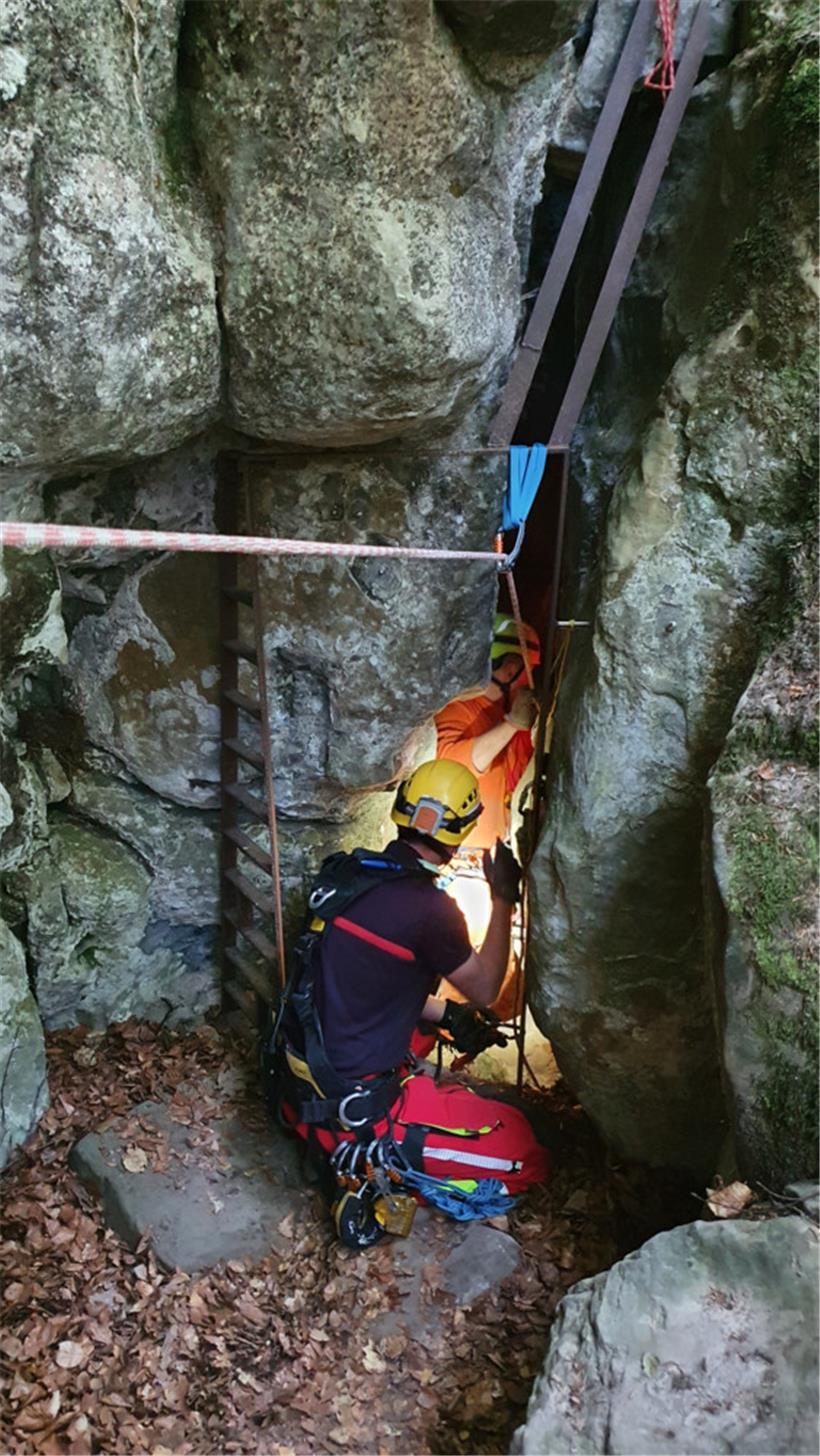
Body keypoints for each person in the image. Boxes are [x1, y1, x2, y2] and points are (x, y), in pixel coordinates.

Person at [267, 759, 550, 1248]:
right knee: (525, 1151)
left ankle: (404, 1106)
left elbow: (363, 982)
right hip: (352, 1112)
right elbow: (485, 989)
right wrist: (504, 897)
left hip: (299, 1081)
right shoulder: (431, 911)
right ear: (461, 830)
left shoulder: (351, 874)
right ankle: (392, 1163)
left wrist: (447, 1014)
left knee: (427, 1030)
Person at [434, 612, 542, 851]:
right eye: (530, 670)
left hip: (500, 851)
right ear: (511, 669)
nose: (530, 680)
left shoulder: (513, 715)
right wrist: (511, 724)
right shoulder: (455, 708)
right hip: (461, 858)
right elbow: (450, 766)